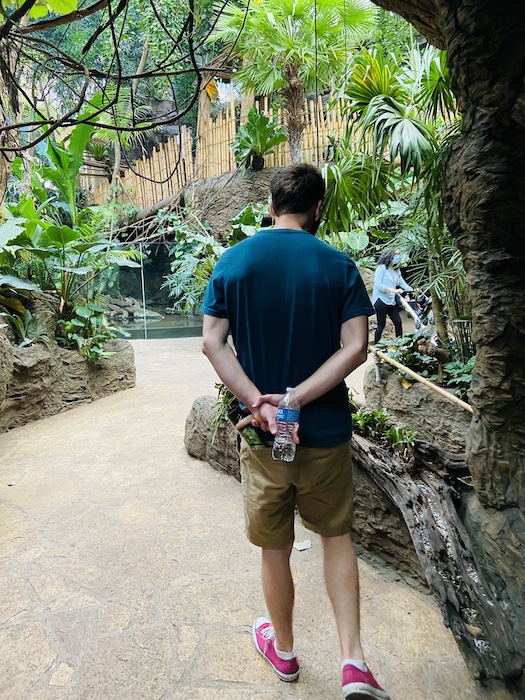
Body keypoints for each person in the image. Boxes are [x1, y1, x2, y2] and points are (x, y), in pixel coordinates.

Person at [200, 163, 391, 700]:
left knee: (274, 548)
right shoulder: (338, 266)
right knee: (336, 538)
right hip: (324, 431)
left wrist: (258, 402)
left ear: (270, 206)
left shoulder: (234, 262)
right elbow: (357, 346)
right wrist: (297, 398)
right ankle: (353, 663)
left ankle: (283, 652)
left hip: (265, 437)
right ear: (317, 209)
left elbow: (212, 342)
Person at [371, 249, 413, 344]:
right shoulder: (381, 268)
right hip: (380, 300)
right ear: (389, 255)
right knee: (381, 325)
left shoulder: (396, 270)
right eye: (395, 254)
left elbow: (401, 282)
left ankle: (399, 344)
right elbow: (378, 284)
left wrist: (412, 289)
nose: (398, 256)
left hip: (391, 300)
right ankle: (376, 346)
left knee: (398, 322)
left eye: (398, 254)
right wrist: (394, 290)